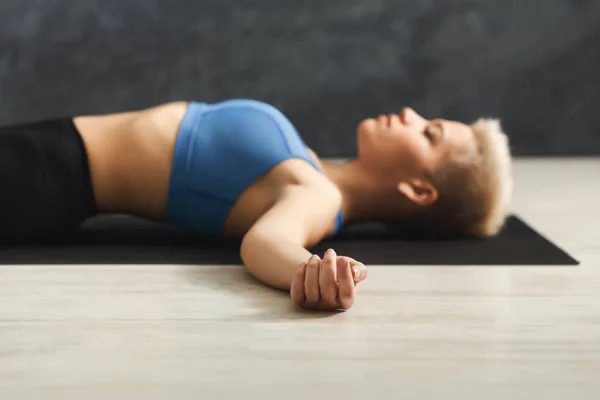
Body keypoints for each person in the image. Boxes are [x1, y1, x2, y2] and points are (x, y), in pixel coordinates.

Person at [0, 99, 512, 311]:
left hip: (50, 177)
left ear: (419, 191)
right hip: (53, 154)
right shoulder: (312, 168)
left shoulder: (317, 196)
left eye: (429, 133)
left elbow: (266, 242)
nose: (410, 112)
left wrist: (309, 273)